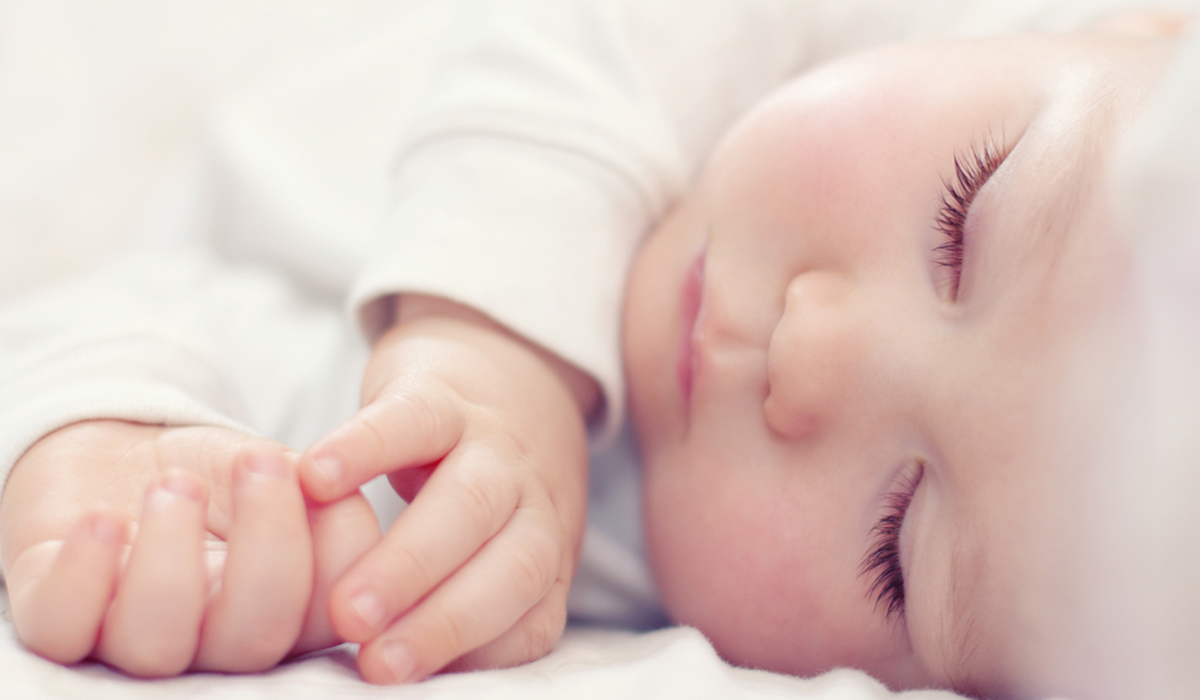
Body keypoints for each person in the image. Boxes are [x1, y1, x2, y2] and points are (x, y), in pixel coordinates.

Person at [0, 1, 1195, 698]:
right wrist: (490, 339)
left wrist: (121, 459)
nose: (804, 354)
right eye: (961, 218)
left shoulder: (604, 585)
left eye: (898, 542)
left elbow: (183, 330)